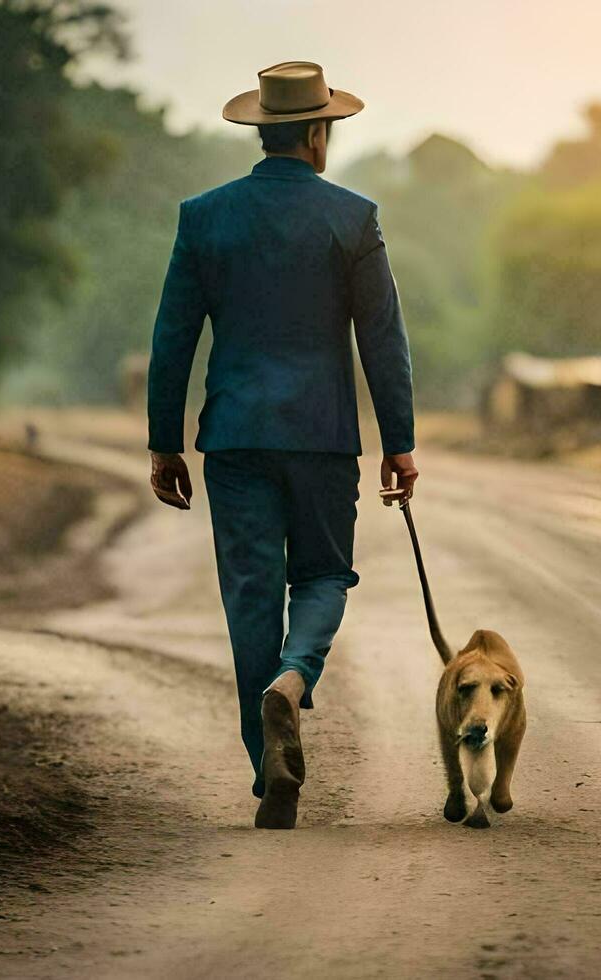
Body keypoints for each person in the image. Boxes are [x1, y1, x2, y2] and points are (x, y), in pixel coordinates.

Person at [144, 61, 417, 829]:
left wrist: (164, 443)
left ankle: (268, 770)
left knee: (250, 597)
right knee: (326, 575)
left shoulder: (204, 217)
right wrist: (400, 443)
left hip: (233, 438)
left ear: (263, 132)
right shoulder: (354, 219)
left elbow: (173, 338)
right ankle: (295, 679)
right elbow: (383, 340)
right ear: (320, 133)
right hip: (323, 439)